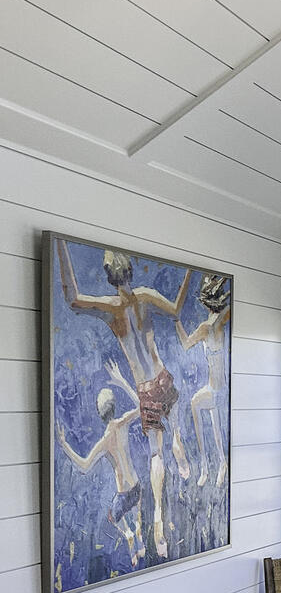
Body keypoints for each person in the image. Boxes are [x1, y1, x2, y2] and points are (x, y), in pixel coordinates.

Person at [57, 241, 192, 558]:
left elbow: (73, 299)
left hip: (145, 388)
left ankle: (157, 515)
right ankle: (181, 448)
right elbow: (174, 310)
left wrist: (62, 249)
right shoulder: (144, 296)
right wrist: (188, 272)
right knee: (177, 418)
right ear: (129, 271)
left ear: (108, 275)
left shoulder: (111, 309)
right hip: (162, 376)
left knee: (155, 454)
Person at [56, 362, 144, 567]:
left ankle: (129, 533)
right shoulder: (123, 423)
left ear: (99, 413)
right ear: (114, 406)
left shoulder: (104, 442)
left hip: (122, 495)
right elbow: (142, 406)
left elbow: (84, 466)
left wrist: (65, 444)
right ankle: (138, 529)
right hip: (136, 487)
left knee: (114, 516)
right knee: (136, 508)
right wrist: (122, 381)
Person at [176, 273, 231, 487]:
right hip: (220, 388)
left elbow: (186, 343)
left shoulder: (207, 327)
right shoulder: (220, 322)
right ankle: (221, 463)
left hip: (215, 390)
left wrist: (176, 320)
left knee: (194, 404)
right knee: (216, 426)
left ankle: (206, 466)